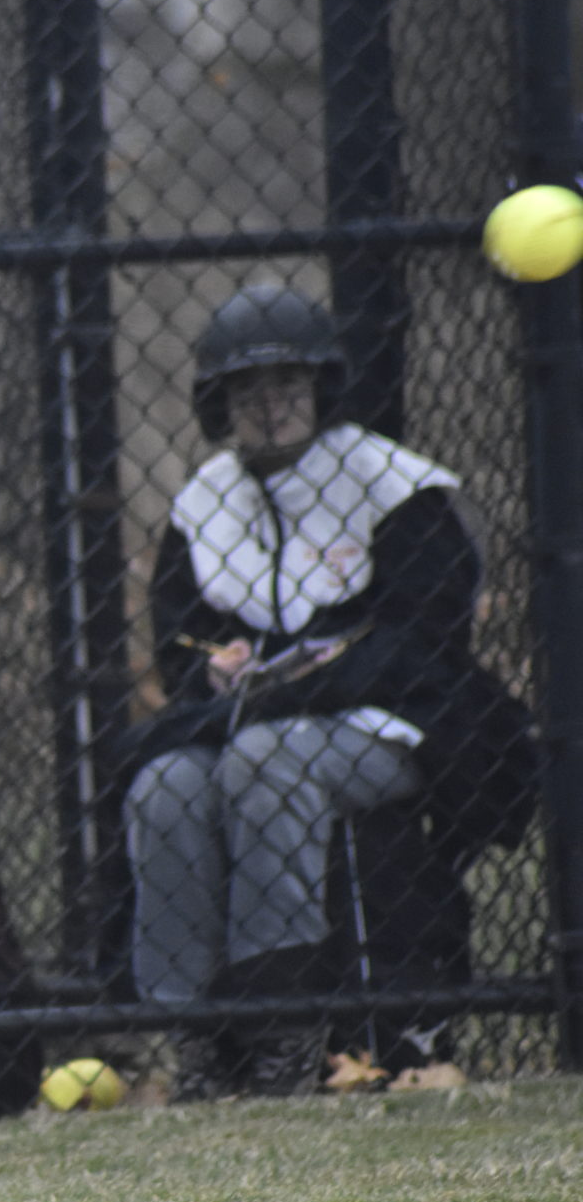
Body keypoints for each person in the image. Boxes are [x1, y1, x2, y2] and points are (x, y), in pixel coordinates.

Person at [123, 283, 531, 1098]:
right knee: (167, 783)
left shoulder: (392, 483)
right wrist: (215, 665)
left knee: (266, 758)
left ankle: (284, 1025)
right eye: (246, 391)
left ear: (320, 388)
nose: (270, 408)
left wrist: (319, 674)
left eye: (287, 387)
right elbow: (179, 643)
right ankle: (197, 1033)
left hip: (391, 723)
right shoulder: (204, 505)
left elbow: (430, 636)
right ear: (218, 404)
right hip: (252, 721)